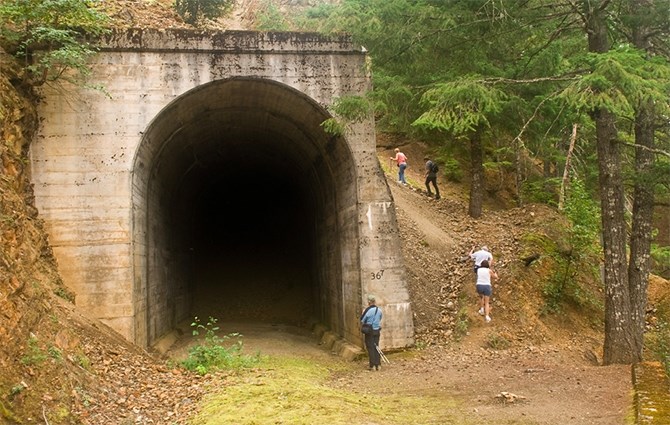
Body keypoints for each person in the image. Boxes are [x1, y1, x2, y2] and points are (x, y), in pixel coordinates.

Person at [360, 294, 383, 371]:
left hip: (370, 331)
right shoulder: (379, 310)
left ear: (369, 302)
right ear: (375, 301)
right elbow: (380, 318)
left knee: (370, 347)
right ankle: (378, 365)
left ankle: (372, 365)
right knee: (376, 346)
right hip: (377, 330)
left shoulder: (367, 310)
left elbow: (362, 320)